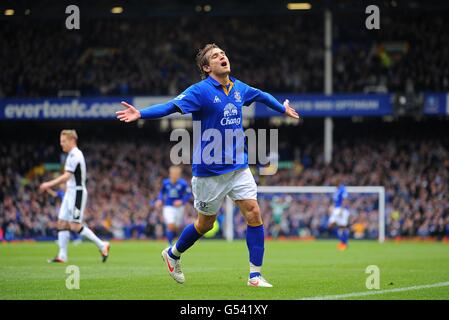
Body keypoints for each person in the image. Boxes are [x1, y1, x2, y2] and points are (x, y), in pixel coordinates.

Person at [116, 43, 299, 287]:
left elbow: (262, 95)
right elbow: (170, 106)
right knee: (205, 224)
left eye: (223, 53)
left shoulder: (238, 88)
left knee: (254, 213)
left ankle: (255, 275)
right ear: (206, 67)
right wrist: (141, 114)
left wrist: (282, 108)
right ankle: (173, 254)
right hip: (209, 170)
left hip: (238, 166)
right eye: (215, 56)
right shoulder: (200, 91)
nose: (222, 56)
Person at [39, 130, 110, 263]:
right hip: (70, 193)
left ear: (72, 140)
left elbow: (67, 176)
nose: (61, 144)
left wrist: (48, 184)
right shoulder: (71, 155)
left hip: (77, 193)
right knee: (61, 222)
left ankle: (102, 245)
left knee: (75, 226)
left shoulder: (75, 155)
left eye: (63, 141)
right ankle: (62, 255)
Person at [155, 166, 191, 246]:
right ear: (170, 174)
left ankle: (174, 239)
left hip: (179, 208)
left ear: (179, 175)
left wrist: (182, 201)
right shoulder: (166, 182)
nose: (174, 176)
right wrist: (160, 199)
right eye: (173, 174)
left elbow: (188, 194)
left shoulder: (183, 183)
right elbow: (162, 192)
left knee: (176, 227)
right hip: (168, 206)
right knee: (170, 225)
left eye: (176, 174)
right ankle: (170, 245)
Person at [328, 182, 350, 250]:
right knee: (331, 225)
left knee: (342, 227)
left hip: (342, 210)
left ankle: (344, 244)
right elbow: (335, 201)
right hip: (336, 209)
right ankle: (343, 242)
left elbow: (345, 199)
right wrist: (331, 207)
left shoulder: (343, 189)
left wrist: (342, 209)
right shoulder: (336, 190)